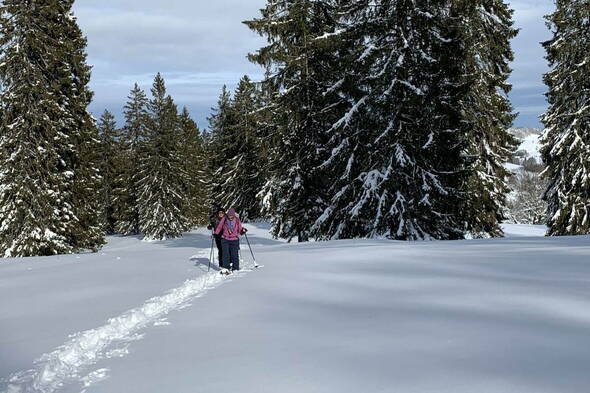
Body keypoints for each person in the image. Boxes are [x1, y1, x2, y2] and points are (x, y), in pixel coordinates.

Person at [214, 207, 247, 274]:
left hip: (234, 239)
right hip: (225, 239)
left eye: (231, 216)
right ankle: (226, 268)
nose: (230, 217)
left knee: (234, 254)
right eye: (229, 215)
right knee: (225, 254)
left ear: (234, 215)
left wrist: (242, 231)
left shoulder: (237, 220)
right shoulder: (224, 219)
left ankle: (235, 268)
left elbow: (240, 229)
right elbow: (219, 227)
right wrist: (216, 233)